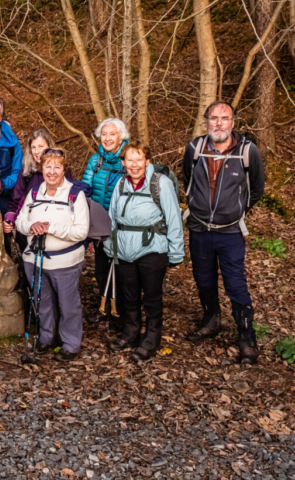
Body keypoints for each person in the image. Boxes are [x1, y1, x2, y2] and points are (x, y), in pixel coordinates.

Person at [182, 101, 265, 364]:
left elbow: (256, 188)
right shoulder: (195, 148)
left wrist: (237, 209)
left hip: (230, 232)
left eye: (224, 118)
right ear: (206, 121)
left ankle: (246, 336)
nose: (218, 123)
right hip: (199, 228)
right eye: (213, 118)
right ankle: (211, 319)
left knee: (236, 284)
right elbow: (188, 180)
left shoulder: (248, 151)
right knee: (203, 278)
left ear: (233, 122)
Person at [104, 142, 184, 362]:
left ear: (147, 161)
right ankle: (130, 333)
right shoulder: (121, 184)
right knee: (128, 295)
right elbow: (112, 217)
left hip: (152, 248)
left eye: (139, 159)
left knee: (151, 296)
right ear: (123, 163)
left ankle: (151, 337)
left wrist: (176, 252)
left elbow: (173, 218)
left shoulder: (161, 183)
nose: (134, 165)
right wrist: (110, 246)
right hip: (124, 249)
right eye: (130, 160)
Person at [15, 149, 89, 362]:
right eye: (48, 166)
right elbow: (20, 222)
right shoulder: (35, 192)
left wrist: (52, 228)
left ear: (64, 169)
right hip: (34, 259)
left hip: (65, 261)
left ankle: (70, 343)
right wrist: (32, 226)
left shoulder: (75, 194)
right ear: (42, 168)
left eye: (57, 166)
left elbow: (81, 231)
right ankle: (47, 337)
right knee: (42, 301)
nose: (52, 171)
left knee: (68, 304)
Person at [82, 118, 130, 328]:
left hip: (123, 224)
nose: (108, 138)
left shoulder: (128, 159)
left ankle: (121, 310)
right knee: (101, 268)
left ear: (121, 136)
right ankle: (103, 307)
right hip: (100, 225)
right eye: (104, 134)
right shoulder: (95, 161)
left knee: (122, 269)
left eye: (112, 134)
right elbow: (86, 187)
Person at [2, 129, 72, 254]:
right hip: (28, 235)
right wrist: (10, 217)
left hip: (55, 235)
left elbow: (71, 201)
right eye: (33, 147)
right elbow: (15, 200)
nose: (37, 151)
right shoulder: (26, 172)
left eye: (41, 146)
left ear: (49, 146)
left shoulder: (62, 171)